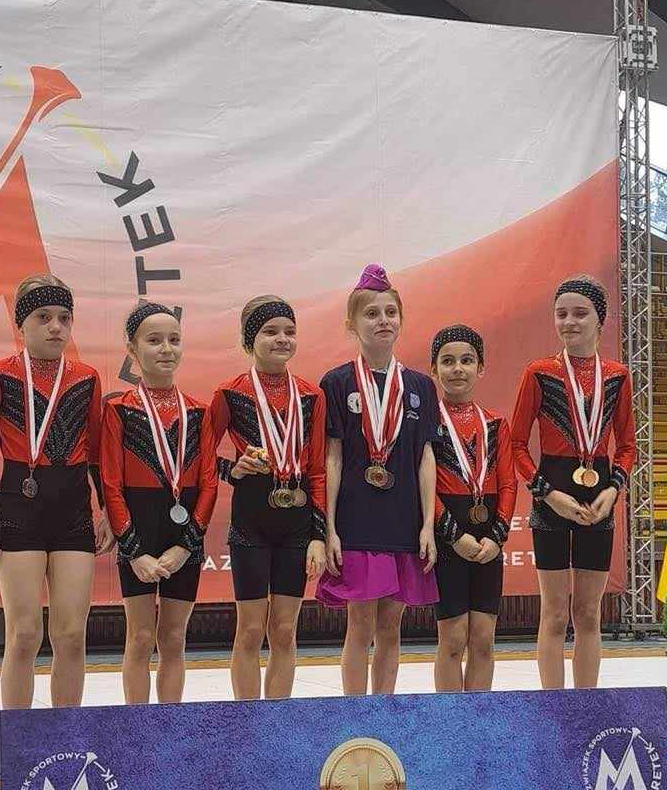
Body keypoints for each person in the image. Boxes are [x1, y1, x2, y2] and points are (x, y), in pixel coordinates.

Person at [0, 275, 113, 710]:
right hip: (19, 508)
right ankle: (19, 739)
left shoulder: (86, 378)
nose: (55, 327)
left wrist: (106, 510)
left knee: (71, 635)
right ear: (20, 324)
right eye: (43, 317)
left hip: (73, 512)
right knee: (24, 634)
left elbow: (96, 453)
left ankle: (65, 736)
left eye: (64, 318)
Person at [317, 264, 439, 695]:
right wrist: (329, 527)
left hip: (403, 519)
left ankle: (382, 710)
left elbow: (425, 458)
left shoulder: (421, 386)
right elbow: (331, 458)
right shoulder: (336, 383)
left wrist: (428, 524)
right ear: (352, 323)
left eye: (390, 312)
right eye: (371, 313)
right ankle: (355, 711)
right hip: (356, 520)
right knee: (360, 623)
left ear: (401, 319)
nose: (383, 320)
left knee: (391, 625)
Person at [510, 275, 635, 689]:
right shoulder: (539, 373)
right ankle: (553, 703)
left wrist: (612, 490)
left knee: (588, 613)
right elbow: (515, 444)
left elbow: (627, 445)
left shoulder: (616, 376)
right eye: (561, 314)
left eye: (580, 314)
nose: (569, 322)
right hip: (552, 496)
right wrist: (547, 494)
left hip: (599, 498)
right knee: (554, 613)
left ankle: (586, 703)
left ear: (601, 320)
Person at [208, 296, 328, 700]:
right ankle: (247, 718)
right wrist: (234, 470)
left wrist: (318, 535)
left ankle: (277, 717)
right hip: (251, 518)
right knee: (250, 629)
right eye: (270, 332)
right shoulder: (230, 393)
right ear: (249, 340)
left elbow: (317, 470)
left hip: (297, 520)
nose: (282, 339)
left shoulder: (311, 396)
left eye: (289, 331)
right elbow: (200, 457)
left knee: (284, 629)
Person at [100, 301, 216, 704]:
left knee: (174, 637)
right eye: (154, 341)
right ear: (132, 350)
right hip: (138, 530)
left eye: (174, 340)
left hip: (185, 533)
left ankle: (168, 724)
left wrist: (186, 546)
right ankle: (137, 726)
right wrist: (134, 551)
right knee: (140, 636)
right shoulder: (118, 410)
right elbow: (111, 485)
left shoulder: (199, 412)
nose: (166, 349)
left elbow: (209, 485)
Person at [428, 325, 517, 692]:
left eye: (466, 361)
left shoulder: (495, 424)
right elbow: (423, 488)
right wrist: (453, 535)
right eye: (447, 361)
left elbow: (508, 483)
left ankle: (477, 717)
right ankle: (451, 719)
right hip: (447, 535)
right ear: (434, 370)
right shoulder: (428, 425)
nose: (457, 369)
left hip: (487, 538)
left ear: (481, 368)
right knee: (452, 639)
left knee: (483, 639)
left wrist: (497, 537)